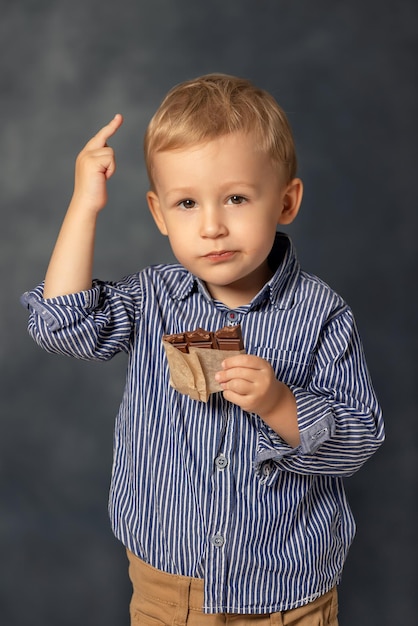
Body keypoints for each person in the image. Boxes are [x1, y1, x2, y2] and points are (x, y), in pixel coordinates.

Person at [21, 73, 384, 625]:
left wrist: (281, 406)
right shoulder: (152, 299)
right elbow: (60, 324)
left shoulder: (322, 314)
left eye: (236, 198)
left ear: (286, 202)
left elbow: (358, 440)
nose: (212, 226)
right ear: (159, 214)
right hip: (169, 585)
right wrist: (84, 207)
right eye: (187, 203)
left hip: (288, 586)